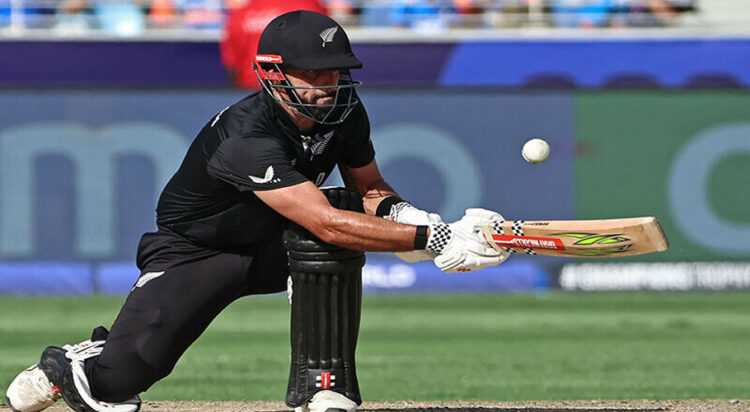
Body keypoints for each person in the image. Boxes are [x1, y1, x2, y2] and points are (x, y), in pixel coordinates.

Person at [5, 10, 509, 412]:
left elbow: (371, 188)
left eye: (335, 71)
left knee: (327, 229)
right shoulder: (246, 137)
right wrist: (438, 242)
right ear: (271, 72)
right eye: (311, 73)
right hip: (199, 250)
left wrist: (418, 221)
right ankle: (77, 363)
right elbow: (326, 222)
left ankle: (324, 387)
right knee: (122, 380)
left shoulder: (345, 110)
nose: (327, 84)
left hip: (277, 241)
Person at [219, 0, 327, 89]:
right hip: (295, 93)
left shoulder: (240, 15)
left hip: (250, 92)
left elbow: (232, 66)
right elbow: (326, 49)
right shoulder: (309, 6)